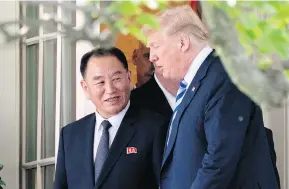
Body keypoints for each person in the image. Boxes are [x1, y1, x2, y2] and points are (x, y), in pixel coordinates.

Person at [144, 5, 279, 189]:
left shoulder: (225, 75)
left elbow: (219, 159)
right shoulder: (200, 81)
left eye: (156, 45)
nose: (152, 57)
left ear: (183, 43)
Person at [54, 47, 168, 189]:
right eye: (100, 82)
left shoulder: (155, 127)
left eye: (116, 79)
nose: (110, 89)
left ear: (128, 78)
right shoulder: (70, 134)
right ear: (85, 88)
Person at [131, 42, 179, 118]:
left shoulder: (182, 95)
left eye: (159, 57)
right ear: (135, 56)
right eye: (147, 56)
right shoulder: (126, 102)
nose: (153, 64)